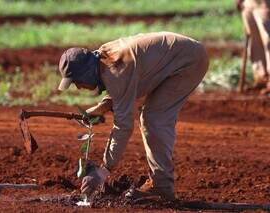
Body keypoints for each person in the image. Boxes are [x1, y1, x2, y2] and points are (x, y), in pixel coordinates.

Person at [57, 32, 209, 201]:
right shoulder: (104, 56)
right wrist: (103, 107)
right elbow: (126, 84)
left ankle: (162, 187)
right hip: (181, 53)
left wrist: (103, 171)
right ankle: (160, 183)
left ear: (86, 73)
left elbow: (124, 126)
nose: (78, 87)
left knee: (154, 119)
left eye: (77, 82)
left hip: (189, 61)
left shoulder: (117, 69)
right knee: (152, 117)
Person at [236, 0, 270, 94]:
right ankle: (261, 77)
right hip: (248, 3)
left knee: (268, 38)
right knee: (253, 39)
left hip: (264, 2)